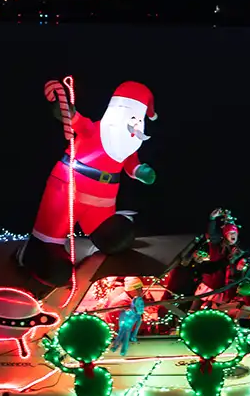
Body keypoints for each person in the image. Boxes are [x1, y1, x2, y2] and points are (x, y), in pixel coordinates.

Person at [18, 80, 158, 287]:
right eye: (132, 118)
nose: (136, 125)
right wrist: (68, 112)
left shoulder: (128, 146)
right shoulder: (95, 130)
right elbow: (78, 122)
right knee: (51, 250)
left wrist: (141, 172)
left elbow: (131, 165)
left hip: (102, 205)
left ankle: (105, 233)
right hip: (69, 189)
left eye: (140, 120)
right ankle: (39, 251)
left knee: (114, 235)